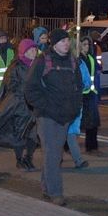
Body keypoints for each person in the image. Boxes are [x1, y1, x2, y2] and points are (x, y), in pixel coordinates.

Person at [25, 28, 83, 206]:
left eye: (67, 41)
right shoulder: (43, 60)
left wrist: (74, 108)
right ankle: (55, 192)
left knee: (54, 154)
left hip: (65, 115)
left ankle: (46, 188)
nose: (66, 44)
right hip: (48, 116)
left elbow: (79, 87)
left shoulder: (73, 62)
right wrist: (46, 107)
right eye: (62, 41)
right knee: (53, 154)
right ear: (54, 44)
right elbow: (30, 90)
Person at [0, 38, 38, 171]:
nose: (34, 51)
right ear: (23, 51)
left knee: (34, 134)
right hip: (21, 105)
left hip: (36, 106)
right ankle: (20, 159)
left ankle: (29, 158)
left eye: (35, 49)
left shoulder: (38, 65)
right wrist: (24, 94)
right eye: (30, 49)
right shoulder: (15, 66)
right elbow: (10, 85)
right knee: (20, 134)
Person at [78, 36, 101, 155]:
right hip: (80, 95)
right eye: (84, 44)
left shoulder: (91, 58)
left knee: (93, 122)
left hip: (91, 93)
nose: (87, 47)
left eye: (88, 44)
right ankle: (66, 145)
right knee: (76, 122)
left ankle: (92, 146)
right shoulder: (77, 59)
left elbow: (96, 74)